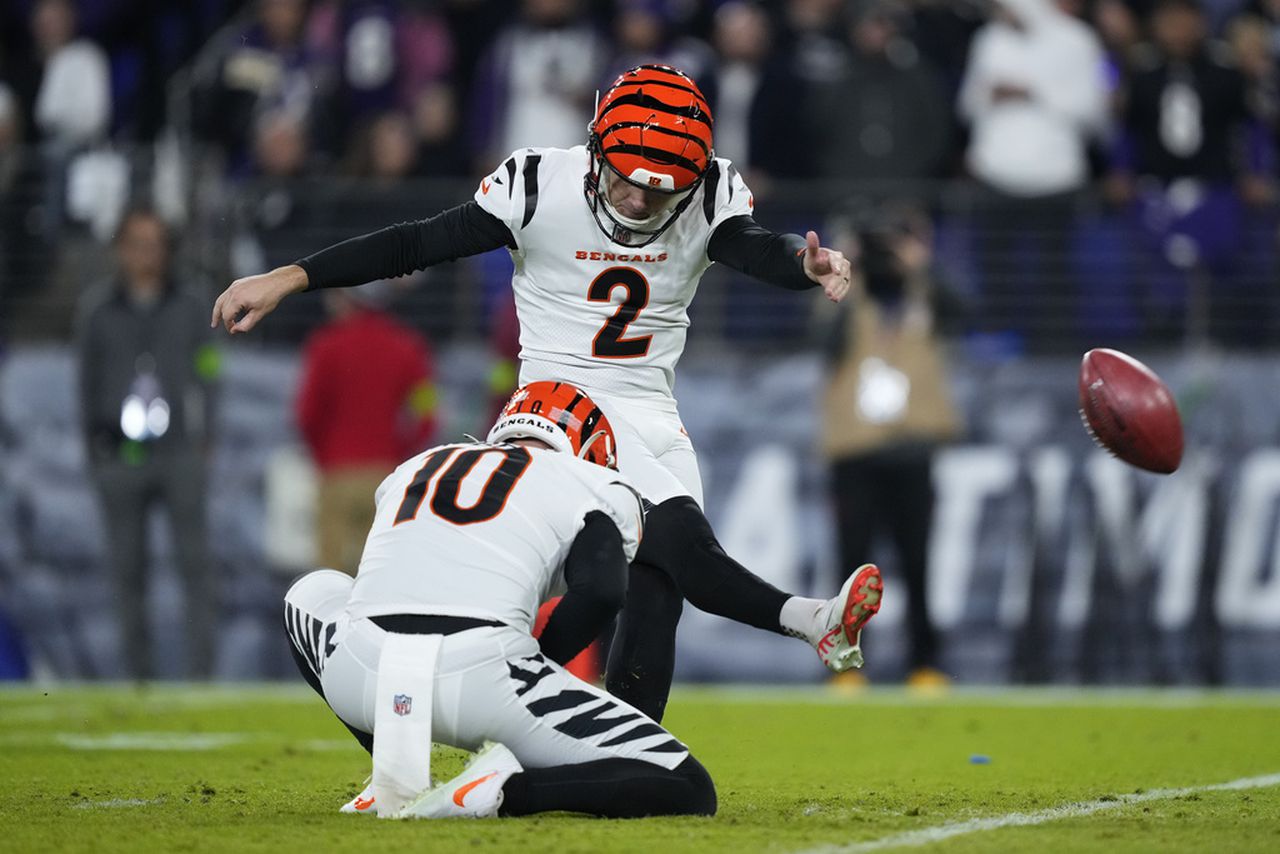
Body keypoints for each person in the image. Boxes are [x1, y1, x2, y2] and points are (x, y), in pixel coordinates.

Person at [214, 64, 883, 723]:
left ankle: (629, 753)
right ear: (596, 148)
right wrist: (294, 276)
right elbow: (419, 242)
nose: (640, 203)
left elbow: (757, 248)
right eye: (628, 181)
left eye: (661, 192)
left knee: (662, 584)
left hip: (651, 411)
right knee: (679, 541)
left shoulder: (707, 193)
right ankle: (811, 620)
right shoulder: (539, 184)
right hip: (560, 407)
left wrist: (804, 265)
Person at [283, 381, 716, 819]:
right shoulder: (589, 479)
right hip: (484, 678)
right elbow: (602, 592)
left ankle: (391, 772)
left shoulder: (418, 465)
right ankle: (504, 791)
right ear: (591, 448)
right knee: (686, 785)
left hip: (361, 676)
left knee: (309, 592)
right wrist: (541, 664)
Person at [76, 206, 221, 679]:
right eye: (137, 243)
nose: (146, 254)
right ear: (121, 249)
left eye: (155, 243)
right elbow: (86, 381)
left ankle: (202, 678)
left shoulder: (191, 305)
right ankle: (138, 680)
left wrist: (208, 432)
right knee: (127, 573)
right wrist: (95, 451)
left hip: (179, 450)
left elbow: (210, 368)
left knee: (195, 568)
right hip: (120, 454)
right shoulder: (97, 310)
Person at [820, 211, 962, 688]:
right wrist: (846, 268)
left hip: (912, 448)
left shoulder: (925, 296)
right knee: (851, 566)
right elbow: (823, 340)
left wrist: (922, 265)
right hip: (854, 452)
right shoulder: (846, 298)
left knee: (918, 562)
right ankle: (846, 668)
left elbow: (968, 311)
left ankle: (925, 664)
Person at [296, 285, 438, 574]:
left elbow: (306, 415)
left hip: (338, 475)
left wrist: (324, 457)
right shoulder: (408, 346)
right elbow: (427, 415)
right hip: (386, 478)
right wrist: (401, 454)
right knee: (377, 573)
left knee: (331, 577)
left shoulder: (326, 346)